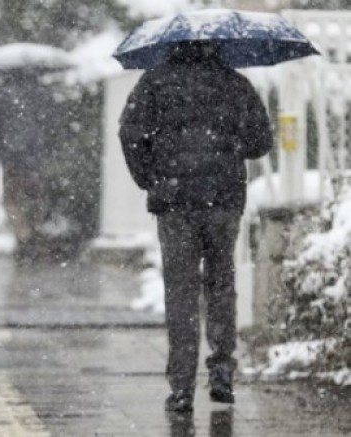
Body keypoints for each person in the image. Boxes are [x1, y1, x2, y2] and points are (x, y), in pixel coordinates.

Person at [118, 41, 273, 413]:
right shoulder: (236, 83)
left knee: (181, 291)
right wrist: (229, 145)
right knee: (221, 283)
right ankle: (221, 371)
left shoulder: (153, 83)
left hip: (174, 202)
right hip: (222, 199)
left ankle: (182, 387)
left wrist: (150, 178)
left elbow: (130, 134)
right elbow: (260, 143)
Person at [0, 71, 55, 264]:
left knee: (12, 199)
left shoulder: (3, 93)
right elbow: (52, 122)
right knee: (35, 198)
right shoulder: (43, 91)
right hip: (36, 157)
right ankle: (33, 234)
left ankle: (23, 237)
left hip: (11, 157)